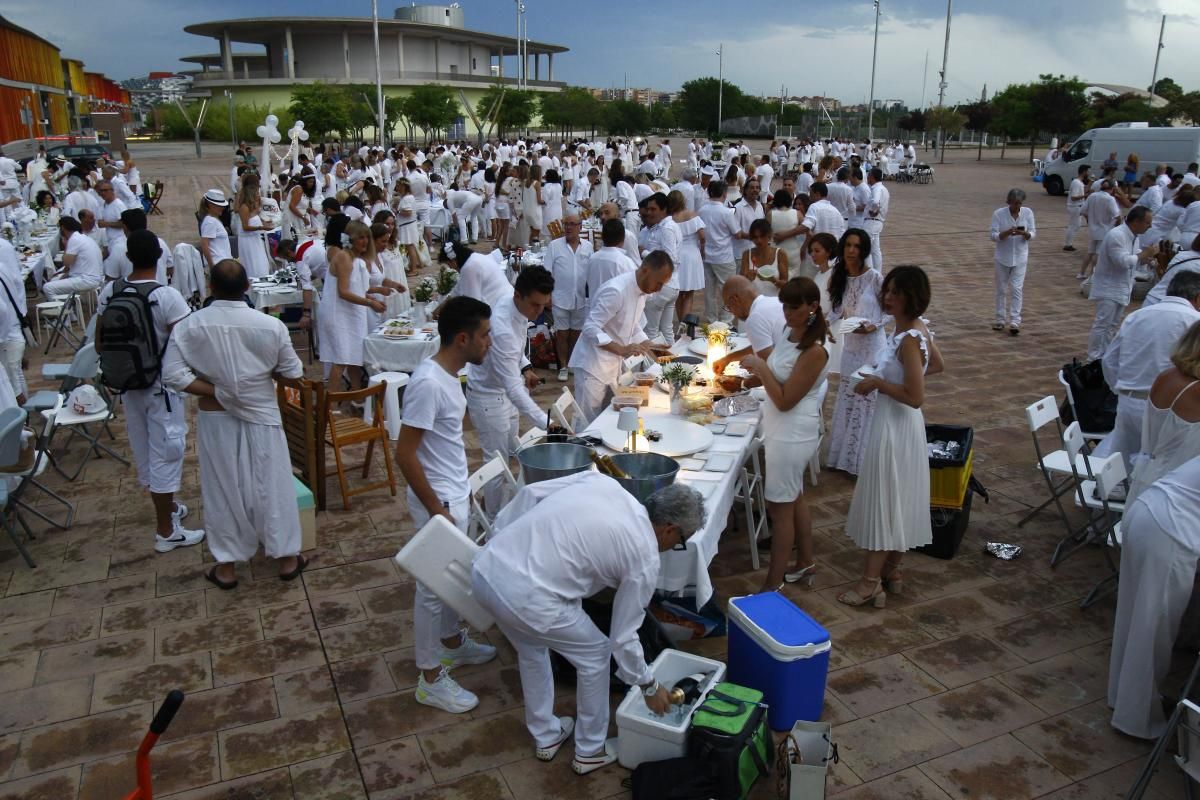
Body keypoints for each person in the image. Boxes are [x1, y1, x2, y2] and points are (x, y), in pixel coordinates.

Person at [471, 473, 705, 773]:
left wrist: (503, 540)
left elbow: (529, 493)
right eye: (681, 541)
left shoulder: (603, 484)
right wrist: (648, 685)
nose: (676, 546)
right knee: (596, 653)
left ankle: (546, 735)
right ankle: (590, 750)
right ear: (670, 529)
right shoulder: (644, 558)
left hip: (486, 570)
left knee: (531, 648)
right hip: (528, 598)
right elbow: (622, 637)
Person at [162, 259, 306, 589]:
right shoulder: (270, 326)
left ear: (211, 287)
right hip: (262, 412)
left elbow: (172, 375)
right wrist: (253, 381)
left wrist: (217, 390)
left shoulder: (190, 326)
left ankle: (227, 566)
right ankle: (285, 557)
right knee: (272, 484)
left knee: (223, 486)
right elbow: (293, 373)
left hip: (216, 414)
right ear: (247, 288)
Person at [395, 296, 498, 714]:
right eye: (485, 335)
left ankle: (452, 643)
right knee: (431, 590)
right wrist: (436, 507)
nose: (489, 342)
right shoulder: (428, 382)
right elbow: (405, 453)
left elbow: (445, 444)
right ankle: (430, 678)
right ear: (462, 338)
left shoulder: (450, 376)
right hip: (437, 503)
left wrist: (463, 490)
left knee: (453, 582)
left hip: (453, 495)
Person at [838, 266, 944, 608]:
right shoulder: (917, 330)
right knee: (899, 494)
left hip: (896, 424)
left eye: (895, 293)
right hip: (903, 424)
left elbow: (916, 396)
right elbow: (938, 364)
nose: (887, 297)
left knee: (885, 497)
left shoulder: (909, 338)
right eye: (888, 290)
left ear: (910, 298)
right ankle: (893, 571)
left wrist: (878, 383)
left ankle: (870, 583)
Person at [96, 230, 203, 555]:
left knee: (145, 451)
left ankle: (168, 510)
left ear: (128, 257)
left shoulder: (110, 291)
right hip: (161, 388)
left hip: (129, 386)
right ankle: (166, 531)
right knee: (167, 454)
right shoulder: (167, 297)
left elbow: (100, 342)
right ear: (159, 257)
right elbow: (187, 344)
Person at [740, 278, 829, 591]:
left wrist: (758, 367)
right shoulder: (791, 333)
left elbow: (786, 399)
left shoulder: (816, 351)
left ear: (813, 307)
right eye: (786, 307)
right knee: (794, 497)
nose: (789, 313)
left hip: (793, 432)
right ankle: (806, 561)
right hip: (780, 428)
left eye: (795, 307)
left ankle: (771, 585)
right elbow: (777, 372)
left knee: (779, 509)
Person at [1108, 454, 1200, 740]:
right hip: (1168, 528)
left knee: (1135, 622)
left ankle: (1121, 699)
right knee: (1151, 632)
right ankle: (1137, 720)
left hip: (1147, 512)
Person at [466, 266, 554, 512]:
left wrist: (526, 367)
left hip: (504, 388)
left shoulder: (518, 308)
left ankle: (501, 508)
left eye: (543, 306)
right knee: (496, 463)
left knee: (511, 457)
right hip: (488, 396)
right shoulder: (501, 325)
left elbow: (516, 350)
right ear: (518, 295)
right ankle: (494, 520)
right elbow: (514, 389)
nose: (539, 313)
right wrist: (545, 421)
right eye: (535, 305)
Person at [1097, 272, 1200, 477]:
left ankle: (1111, 501)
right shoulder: (1194, 321)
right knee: (1161, 464)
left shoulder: (1137, 316)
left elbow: (1109, 359)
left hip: (1128, 399)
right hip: (1167, 407)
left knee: (1121, 463)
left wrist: (1119, 389)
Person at [569, 251, 674, 425]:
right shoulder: (616, 291)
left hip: (613, 365)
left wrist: (650, 345)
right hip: (592, 366)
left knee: (608, 418)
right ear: (646, 270)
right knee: (587, 422)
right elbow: (590, 327)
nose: (659, 289)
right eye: (659, 283)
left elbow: (632, 326)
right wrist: (622, 349)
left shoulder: (643, 291)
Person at [825, 229, 885, 475]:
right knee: (849, 396)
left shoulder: (875, 278)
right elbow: (837, 309)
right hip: (850, 345)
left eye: (857, 246)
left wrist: (875, 325)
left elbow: (889, 310)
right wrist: (828, 325)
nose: (851, 251)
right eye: (848, 245)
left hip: (872, 346)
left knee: (868, 397)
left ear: (864, 250)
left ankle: (863, 462)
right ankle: (844, 458)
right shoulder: (838, 276)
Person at [320, 218, 387, 393]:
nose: (365, 241)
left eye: (367, 237)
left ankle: (356, 397)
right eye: (360, 237)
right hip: (338, 313)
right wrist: (370, 302)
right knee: (341, 358)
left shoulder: (358, 260)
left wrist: (380, 291)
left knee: (354, 358)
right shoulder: (343, 257)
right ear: (350, 239)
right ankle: (330, 407)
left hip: (352, 313)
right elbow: (343, 291)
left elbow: (358, 288)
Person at [1088, 206, 1158, 362]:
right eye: (1147, 223)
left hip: (1122, 287)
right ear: (1137, 221)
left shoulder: (1134, 236)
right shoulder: (1117, 235)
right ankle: (1093, 358)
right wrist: (1143, 254)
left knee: (1112, 325)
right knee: (1102, 324)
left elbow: (1133, 260)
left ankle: (1104, 356)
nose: (1150, 226)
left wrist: (1146, 260)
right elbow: (1122, 262)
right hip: (1108, 287)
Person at [545, 215, 593, 381]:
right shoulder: (554, 246)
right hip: (559, 297)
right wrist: (547, 296)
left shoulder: (588, 247)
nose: (569, 227)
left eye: (573, 224)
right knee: (562, 334)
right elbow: (547, 272)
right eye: (566, 224)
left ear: (580, 226)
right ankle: (563, 366)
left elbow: (592, 272)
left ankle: (573, 363)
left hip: (581, 299)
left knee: (576, 334)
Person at [713, 275, 786, 376]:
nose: (731, 312)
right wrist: (728, 359)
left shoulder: (755, 318)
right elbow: (762, 345)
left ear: (735, 299)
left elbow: (772, 371)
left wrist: (742, 384)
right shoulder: (774, 301)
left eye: (729, 307)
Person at [989, 188, 1036, 336]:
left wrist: (1025, 234)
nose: (1017, 207)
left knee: (1017, 288)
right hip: (1003, 256)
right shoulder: (998, 214)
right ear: (1008, 202)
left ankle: (1015, 320)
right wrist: (1007, 233)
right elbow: (993, 235)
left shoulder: (1028, 213)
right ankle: (1000, 319)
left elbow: (1033, 232)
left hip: (1021, 256)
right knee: (1001, 289)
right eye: (1014, 204)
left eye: (1019, 204)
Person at [638, 193, 681, 344]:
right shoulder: (663, 227)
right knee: (666, 330)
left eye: (653, 209)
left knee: (651, 331)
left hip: (663, 286)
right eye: (648, 209)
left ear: (664, 210)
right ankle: (673, 365)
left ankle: (654, 366)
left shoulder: (666, 228)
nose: (649, 213)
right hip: (671, 285)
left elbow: (670, 259)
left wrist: (643, 252)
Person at [697, 181, 739, 324]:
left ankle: (711, 319)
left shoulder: (702, 210)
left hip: (707, 255)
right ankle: (726, 319)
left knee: (709, 290)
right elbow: (736, 233)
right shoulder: (726, 212)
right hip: (724, 256)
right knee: (727, 289)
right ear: (724, 193)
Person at [45, 216, 104, 302]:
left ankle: (65, 314)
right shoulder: (83, 237)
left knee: (48, 287)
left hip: (86, 279)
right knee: (55, 279)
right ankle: (68, 310)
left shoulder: (74, 239)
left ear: (62, 228)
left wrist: (66, 245)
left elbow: (66, 263)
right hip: (93, 276)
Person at [669, 189, 705, 324]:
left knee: (679, 292)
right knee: (689, 293)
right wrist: (702, 250)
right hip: (692, 254)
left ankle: (681, 322)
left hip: (677, 255)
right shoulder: (692, 215)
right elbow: (702, 236)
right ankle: (685, 324)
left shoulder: (670, 219)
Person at [1079, 180, 1123, 281]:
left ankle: (1081, 272)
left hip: (1092, 228)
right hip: (1105, 229)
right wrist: (1118, 226)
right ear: (1112, 189)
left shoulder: (1092, 196)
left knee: (1090, 251)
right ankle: (1092, 274)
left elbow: (1082, 211)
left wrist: (1090, 220)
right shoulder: (1110, 199)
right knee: (1098, 253)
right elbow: (1117, 215)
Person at [233, 175, 274, 280]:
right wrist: (261, 227)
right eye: (256, 193)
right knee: (253, 266)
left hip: (256, 239)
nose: (258, 195)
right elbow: (245, 227)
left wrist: (265, 222)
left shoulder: (254, 206)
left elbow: (257, 217)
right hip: (248, 241)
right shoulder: (244, 208)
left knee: (262, 263)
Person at [739, 219, 788, 298]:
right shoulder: (747, 254)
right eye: (755, 237)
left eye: (762, 236)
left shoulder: (780, 254)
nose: (759, 240)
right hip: (753, 302)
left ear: (769, 236)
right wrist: (748, 279)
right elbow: (741, 285)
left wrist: (775, 281)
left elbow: (786, 285)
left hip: (774, 302)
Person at [197, 189, 232, 270]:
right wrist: (212, 266)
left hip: (222, 263)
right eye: (218, 206)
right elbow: (205, 245)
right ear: (210, 205)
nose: (222, 208)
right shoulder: (210, 222)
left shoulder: (213, 220)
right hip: (218, 264)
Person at [1064, 165, 1091, 251]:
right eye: (1087, 171)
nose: (1088, 173)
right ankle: (1068, 244)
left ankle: (1068, 243)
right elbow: (1073, 197)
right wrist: (1085, 195)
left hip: (1077, 206)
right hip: (1075, 206)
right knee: (1073, 225)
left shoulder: (1079, 182)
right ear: (1083, 172)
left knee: (1076, 225)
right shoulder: (1076, 182)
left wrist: (1090, 184)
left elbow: (1082, 191)